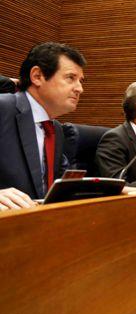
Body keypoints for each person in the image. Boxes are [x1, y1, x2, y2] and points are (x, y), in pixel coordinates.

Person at [0, 42, 86, 211]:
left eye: (81, 81)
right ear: (37, 76)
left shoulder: (55, 130)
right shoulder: (2, 109)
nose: (80, 89)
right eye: (71, 78)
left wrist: (120, 188)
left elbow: (60, 186)